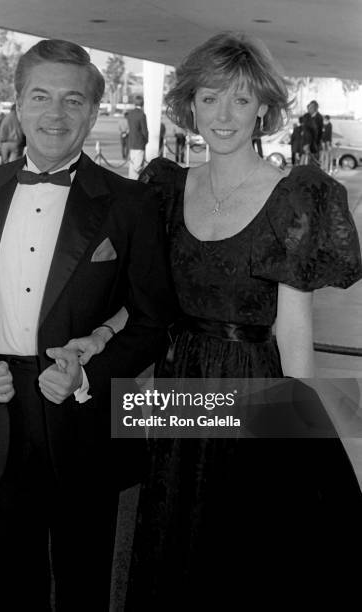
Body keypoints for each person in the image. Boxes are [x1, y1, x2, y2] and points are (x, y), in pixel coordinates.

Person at [70, 32, 362, 608]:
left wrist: (306, 432)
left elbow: (294, 330)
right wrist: (101, 335)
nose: (223, 115)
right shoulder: (164, 188)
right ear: (190, 105)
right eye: (209, 98)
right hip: (179, 382)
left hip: (254, 383)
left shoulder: (295, 194)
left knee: (246, 545)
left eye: (241, 100)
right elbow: (151, 298)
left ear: (264, 110)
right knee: (174, 527)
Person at [0, 39, 173, 611]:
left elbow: (153, 317)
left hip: (81, 417)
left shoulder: (129, 203)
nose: (54, 115)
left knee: (85, 584)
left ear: (92, 111)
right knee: (9, 586)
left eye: (72, 100)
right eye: (39, 97)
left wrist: (91, 375)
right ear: (16, 104)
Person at [127, 94, 148, 178]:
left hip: (131, 142)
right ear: (142, 104)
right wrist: (146, 140)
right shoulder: (142, 115)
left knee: (132, 167)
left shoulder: (130, 114)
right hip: (139, 144)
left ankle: (130, 185)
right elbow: (144, 131)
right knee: (138, 167)